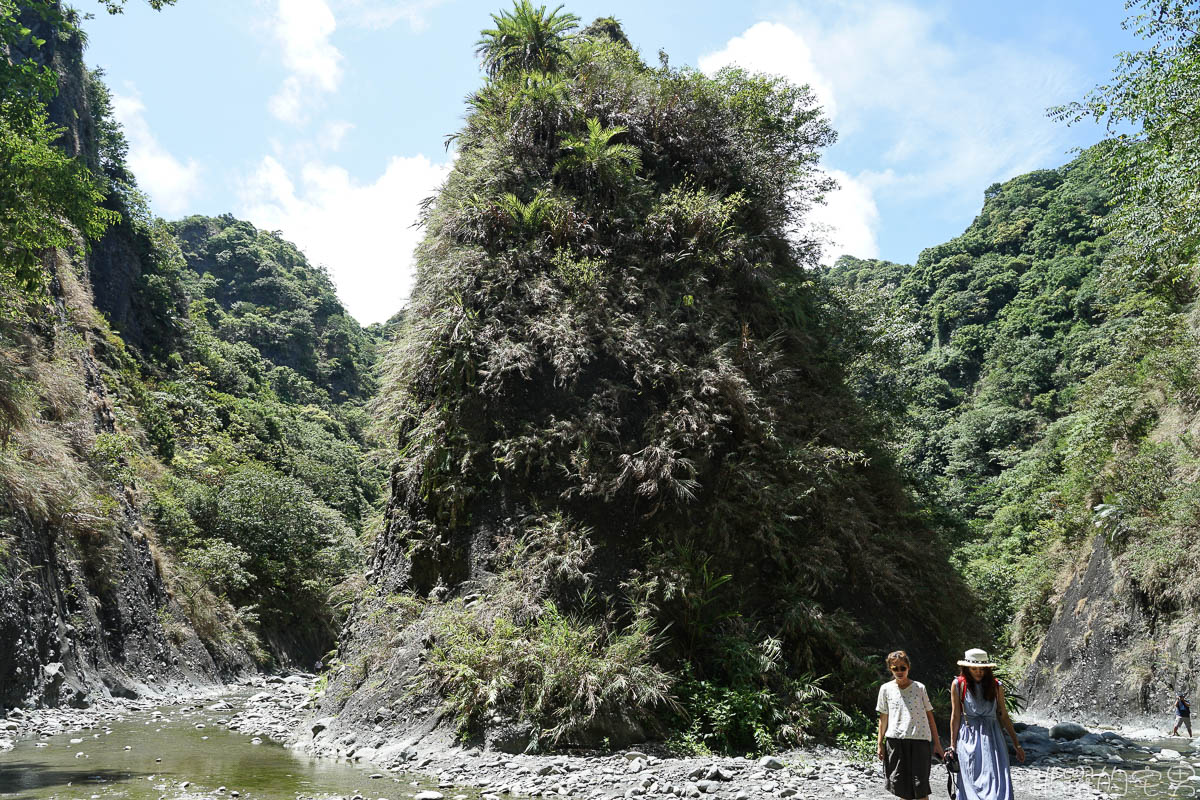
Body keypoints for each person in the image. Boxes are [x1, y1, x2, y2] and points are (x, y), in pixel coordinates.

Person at [947, 648, 1024, 800]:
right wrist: (952, 745)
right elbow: (955, 716)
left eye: (982, 669)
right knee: (970, 780)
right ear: (967, 668)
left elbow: (1004, 715)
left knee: (996, 781)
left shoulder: (996, 686)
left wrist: (1017, 744)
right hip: (968, 738)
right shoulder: (958, 684)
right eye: (974, 668)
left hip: (993, 738)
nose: (978, 672)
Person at [876, 650, 944, 800]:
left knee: (921, 789)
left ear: (908, 667)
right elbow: (883, 718)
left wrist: (937, 743)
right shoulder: (885, 689)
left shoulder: (919, 688)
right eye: (895, 668)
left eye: (902, 668)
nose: (899, 671)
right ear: (890, 669)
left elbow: (929, 716)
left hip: (919, 741)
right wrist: (879, 743)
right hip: (895, 741)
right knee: (902, 790)